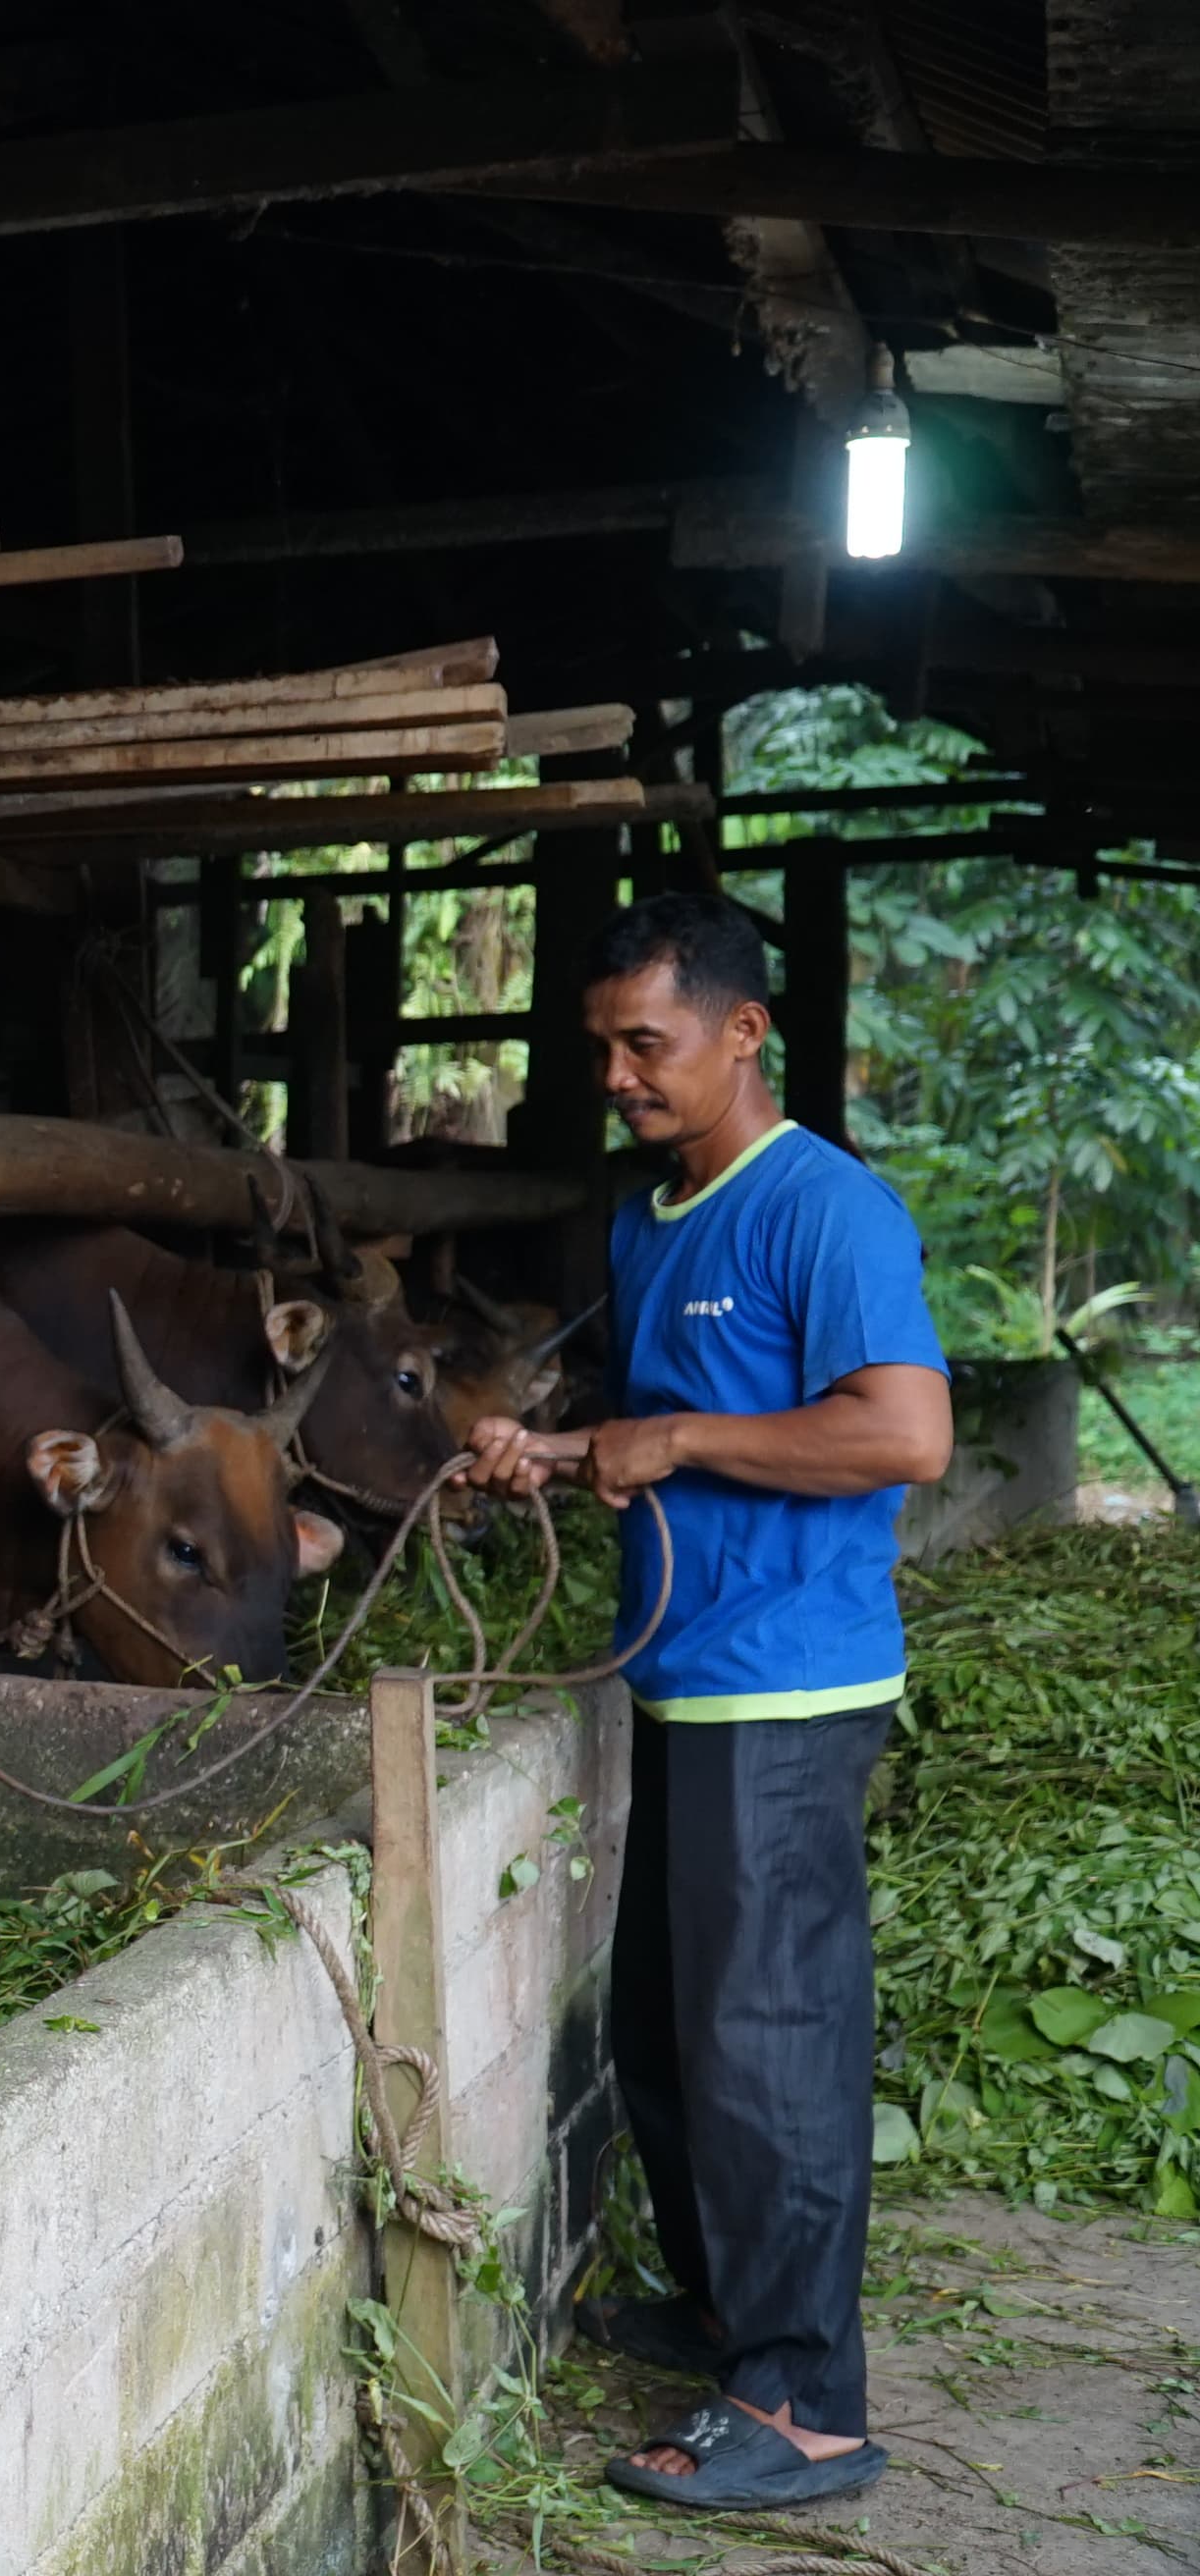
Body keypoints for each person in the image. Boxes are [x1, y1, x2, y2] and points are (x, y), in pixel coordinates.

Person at [460, 889, 953, 2511]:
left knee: (768, 2039)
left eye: (646, 1043)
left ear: (745, 1033)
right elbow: (657, 1413)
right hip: (682, 1668)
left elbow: (901, 1437)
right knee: (671, 2033)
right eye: (600, 1044)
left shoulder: (828, 1211)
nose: (617, 1072)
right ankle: (735, 2315)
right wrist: (559, 1447)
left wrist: (665, 1445)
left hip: (789, 1684)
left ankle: (806, 2402)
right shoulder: (653, 1216)